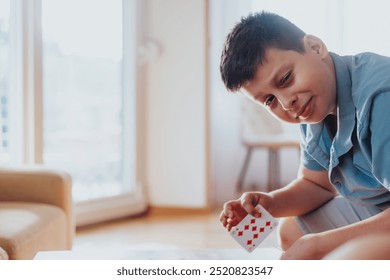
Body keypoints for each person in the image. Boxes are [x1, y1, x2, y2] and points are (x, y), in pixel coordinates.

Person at [219, 11, 390, 259]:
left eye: (286, 79)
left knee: (340, 255)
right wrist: (269, 203)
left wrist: (319, 245)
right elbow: (316, 185)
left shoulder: (381, 98)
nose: (287, 103)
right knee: (290, 232)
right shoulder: (313, 106)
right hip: (381, 207)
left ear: (315, 47)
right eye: (269, 100)